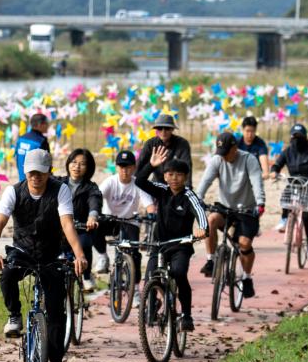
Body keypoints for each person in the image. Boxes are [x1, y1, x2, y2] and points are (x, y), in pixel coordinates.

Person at [0, 149, 88, 362]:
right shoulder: (13, 191)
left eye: (41, 173)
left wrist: (79, 254)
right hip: (22, 250)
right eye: (31, 173)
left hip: (51, 254)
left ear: (49, 172)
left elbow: (66, 223)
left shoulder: (60, 190)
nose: (36, 178)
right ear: (25, 172)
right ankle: (14, 316)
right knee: (8, 273)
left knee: (56, 313)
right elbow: (0, 221)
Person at [135, 146, 208, 332]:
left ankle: (186, 315)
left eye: (179, 175)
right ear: (165, 176)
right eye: (170, 174)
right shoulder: (162, 190)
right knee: (150, 276)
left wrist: (203, 228)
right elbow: (140, 181)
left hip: (181, 246)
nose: (174, 178)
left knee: (179, 273)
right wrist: (151, 165)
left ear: (185, 177)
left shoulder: (189, 195)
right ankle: (152, 305)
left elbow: (200, 213)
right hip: (159, 245)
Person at [195, 132, 265, 298]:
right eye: (221, 152)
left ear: (235, 148)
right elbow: (205, 181)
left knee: (244, 244)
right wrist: (198, 198)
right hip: (225, 207)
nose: (224, 156)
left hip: (247, 209)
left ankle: (247, 278)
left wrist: (260, 203)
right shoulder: (217, 160)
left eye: (227, 152)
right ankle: (211, 260)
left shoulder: (249, 159)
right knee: (210, 220)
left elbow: (257, 181)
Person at [92, 150, 154, 302]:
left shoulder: (137, 183)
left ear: (134, 168)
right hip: (110, 220)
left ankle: (136, 289)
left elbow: (149, 205)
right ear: (116, 167)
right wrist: (94, 213)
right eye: (121, 167)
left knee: (135, 255)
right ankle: (102, 256)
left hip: (130, 222)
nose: (124, 170)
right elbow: (96, 197)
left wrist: (151, 215)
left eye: (128, 167)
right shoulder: (110, 182)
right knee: (93, 227)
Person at [269, 124, 308, 262]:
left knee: (307, 216)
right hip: (295, 186)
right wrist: (274, 171)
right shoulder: (288, 152)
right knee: (287, 193)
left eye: (299, 137)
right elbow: (277, 164)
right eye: (294, 136)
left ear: (305, 138)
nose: (296, 139)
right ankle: (284, 219)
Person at [53, 148, 103, 292]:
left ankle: (87, 276)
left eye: (82, 164)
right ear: (68, 163)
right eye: (74, 162)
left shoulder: (91, 187)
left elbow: (95, 202)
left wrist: (92, 217)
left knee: (85, 242)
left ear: (88, 168)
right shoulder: (58, 182)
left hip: (80, 228)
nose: (77, 166)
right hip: (59, 229)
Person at [135, 114, 193, 185]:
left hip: (176, 184)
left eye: (167, 128)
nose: (163, 131)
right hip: (157, 184)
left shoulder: (182, 144)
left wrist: (188, 188)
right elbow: (139, 166)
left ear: (172, 129)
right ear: (156, 130)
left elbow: (187, 168)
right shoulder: (150, 144)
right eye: (160, 128)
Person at [15, 113, 51, 182]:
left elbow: (17, 159)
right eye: (46, 123)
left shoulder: (20, 139)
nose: (48, 126)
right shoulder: (41, 141)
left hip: (22, 179)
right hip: (36, 182)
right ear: (40, 125)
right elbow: (47, 164)